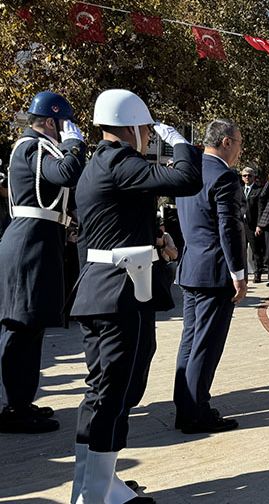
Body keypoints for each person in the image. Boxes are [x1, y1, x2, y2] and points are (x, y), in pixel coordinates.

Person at [70, 89, 202, 503]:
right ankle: (93, 492)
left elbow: (116, 222)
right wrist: (180, 142)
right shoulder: (120, 160)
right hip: (116, 293)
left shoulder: (98, 162)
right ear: (132, 127)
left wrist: (154, 238)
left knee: (117, 387)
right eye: (146, 128)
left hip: (116, 287)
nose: (149, 135)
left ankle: (99, 481)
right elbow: (186, 179)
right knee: (112, 390)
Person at [0, 91, 86, 434]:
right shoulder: (32, 147)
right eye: (65, 125)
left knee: (31, 326)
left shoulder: (37, 146)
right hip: (28, 243)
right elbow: (65, 172)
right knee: (20, 327)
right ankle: (14, 409)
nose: (68, 131)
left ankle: (22, 400)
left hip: (39, 238)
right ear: (50, 121)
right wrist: (74, 146)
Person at [174, 119, 246, 437]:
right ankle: (197, 412)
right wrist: (239, 273)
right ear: (226, 142)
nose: (240, 151)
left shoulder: (188, 171)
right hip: (215, 271)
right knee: (206, 346)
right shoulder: (224, 177)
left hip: (191, 267)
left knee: (190, 342)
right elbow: (228, 229)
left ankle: (185, 408)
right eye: (240, 144)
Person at [240, 167, 265, 283]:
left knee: (256, 250)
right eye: (244, 176)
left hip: (253, 224)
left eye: (249, 176)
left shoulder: (258, 190)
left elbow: (261, 209)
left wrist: (259, 225)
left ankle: (258, 273)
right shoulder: (239, 190)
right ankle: (242, 274)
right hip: (241, 224)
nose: (247, 178)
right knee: (241, 250)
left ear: (253, 177)